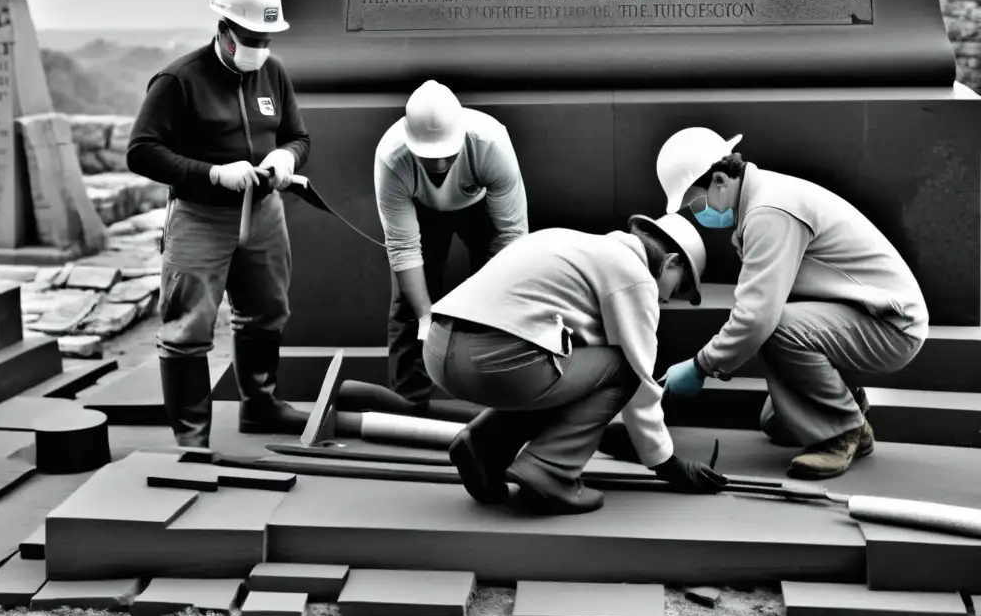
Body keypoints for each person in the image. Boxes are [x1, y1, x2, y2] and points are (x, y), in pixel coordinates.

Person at [655, 127, 929, 480]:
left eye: (695, 203)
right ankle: (849, 402)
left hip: (890, 326)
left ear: (721, 179)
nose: (698, 214)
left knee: (774, 326)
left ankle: (843, 433)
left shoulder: (769, 211)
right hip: (861, 315)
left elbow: (756, 318)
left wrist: (700, 366)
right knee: (778, 422)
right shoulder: (764, 199)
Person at [422, 213, 728, 516]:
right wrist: (668, 464)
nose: (668, 300)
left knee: (568, 365)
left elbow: (578, 372)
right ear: (672, 262)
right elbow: (639, 379)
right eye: (679, 289)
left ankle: (483, 445)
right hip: (493, 361)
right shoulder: (635, 276)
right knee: (624, 369)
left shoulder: (573, 243)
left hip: (438, 347)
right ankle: (549, 470)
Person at [126, 0, 311, 449]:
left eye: (267, 40)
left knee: (268, 309)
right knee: (189, 325)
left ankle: (260, 406)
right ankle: (192, 437)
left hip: (265, 210)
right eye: (251, 39)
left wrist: (285, 158)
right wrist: (211, 173)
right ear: (225, 29)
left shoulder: (273, 73)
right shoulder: (179, 80)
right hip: (201, 217)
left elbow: (297, 135)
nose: (260, 48)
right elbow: (142, 151)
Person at [374, 80, 529, 409]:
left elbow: (512, 234)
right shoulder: (392, 158)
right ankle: (409, 405)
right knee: (408, 309)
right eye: (430, 156)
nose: (441, 165)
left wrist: (491, 305)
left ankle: (502, 399)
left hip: (482, 209)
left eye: (447, 154)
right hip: (422, 211)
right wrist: (426, 319)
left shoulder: (490, 142)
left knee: (505, 304)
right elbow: (403, 248)